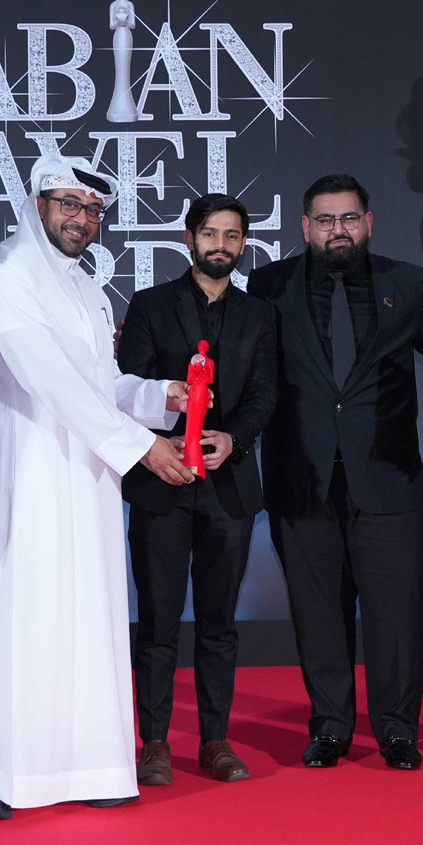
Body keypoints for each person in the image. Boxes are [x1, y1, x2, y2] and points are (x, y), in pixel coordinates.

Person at [0, 154, 192, 820]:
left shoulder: (86, 287)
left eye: (92, 210)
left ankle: (95, 765)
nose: (82, 219)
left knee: (89, 613)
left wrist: (159, 396)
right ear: (37, 205)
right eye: (69, 204)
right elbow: (49, 379)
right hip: (29, 474)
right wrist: (141, 447)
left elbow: (97, 383)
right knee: (22, 614)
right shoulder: (3, 278)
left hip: (88, 474)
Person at [247, 173, 423, 771]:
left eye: (348, 218)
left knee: (396, 612)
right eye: (325, 220)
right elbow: (237, 358)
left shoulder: (405, 283)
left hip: (386, 476)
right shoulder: (269, 286)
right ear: (305, 227)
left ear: (368, 222)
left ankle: (397, 731)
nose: (337, 230)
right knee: (317, 612)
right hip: (300, 477)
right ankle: (331, 727)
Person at [118, 194, 278, 785]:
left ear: (243, 244)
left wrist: (232, 439)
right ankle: (154, 743)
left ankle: (215, 741)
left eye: (232, 236)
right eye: (210, 234)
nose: (221, 245)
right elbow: (126, 387)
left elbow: (265, 393)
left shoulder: (260, 315)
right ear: (189, 239)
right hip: (160, 482)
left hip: (228, 489)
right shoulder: (149, 305)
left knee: (219, 623)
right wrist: (164, 443)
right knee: (158, 622)